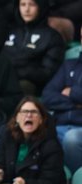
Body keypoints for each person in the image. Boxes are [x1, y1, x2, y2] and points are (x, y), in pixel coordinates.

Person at [41, 25, 82, 175]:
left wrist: (71, 92)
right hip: (60, 126)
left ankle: (75, 182)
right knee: (36, 134)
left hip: (79, 130)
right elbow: (47, 96)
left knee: (72, 139)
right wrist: (76, 104)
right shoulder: (68, 65)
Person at [2, 0, 65, 96]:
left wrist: (21, 70)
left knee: (23, 86)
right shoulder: (10, 31)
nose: (26, 9)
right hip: (5, 79)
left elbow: (47, 73)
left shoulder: (52, 37)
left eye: (32, 4)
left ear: (41, 6)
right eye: (23, 4)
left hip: (32, 85)